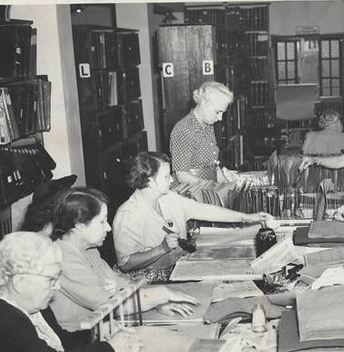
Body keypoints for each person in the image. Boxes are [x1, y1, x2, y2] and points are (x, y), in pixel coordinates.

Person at [48, 187, 200, 332]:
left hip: (99, 328)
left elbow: (120, 284)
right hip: (78, 339)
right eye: (102, 222)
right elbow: (106, 304)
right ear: (79, 225)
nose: (108, 227)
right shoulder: (63, 258)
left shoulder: (88, 250)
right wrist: (161, 294)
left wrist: (157, 302)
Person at [0, 231, 141, 352]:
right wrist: (111, 348)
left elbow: (61, 341)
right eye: (51, 279)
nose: (57, 287)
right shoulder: (2, 327)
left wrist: (97, 332)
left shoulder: (31, 307)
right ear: (21, 282)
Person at [113, 151, 274, 282]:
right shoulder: (128, 214)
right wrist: (161, 249)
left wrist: (247, 217)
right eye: (166, 176)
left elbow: (204, 210)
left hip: (175, 268)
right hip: (144, 280)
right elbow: (126, 264)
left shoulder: (169, 197)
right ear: (149, 181)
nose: (171, 180)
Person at [169, 81, 234, 184]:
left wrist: (227, 186)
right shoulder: (183, 129)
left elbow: (213, 166)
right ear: (204, 104)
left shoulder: (208, 125)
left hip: (207, 189)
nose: (220, 118)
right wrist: (212, 188)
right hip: (190, 192)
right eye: (218, 112)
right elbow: (182, 176)